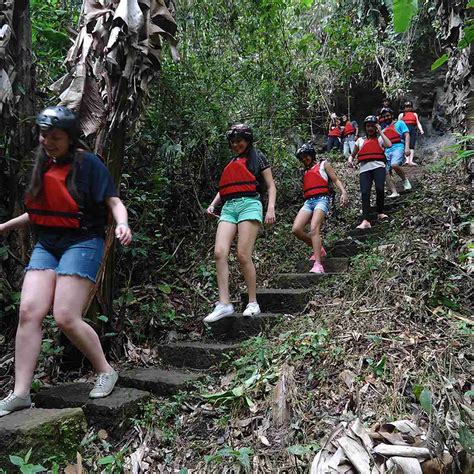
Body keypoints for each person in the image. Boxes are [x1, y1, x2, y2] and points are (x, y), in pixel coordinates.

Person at [0, 106, 132, 417]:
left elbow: (114, 201)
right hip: (48, 242)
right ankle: (20, 393)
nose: (48, 141)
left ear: (71, 138)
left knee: (64, 316)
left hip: (83, 240)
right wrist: (5, 226)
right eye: (44, 135)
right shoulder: (43, 163)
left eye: (55, 137)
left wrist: (123, 224)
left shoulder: (89, 165)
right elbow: (40, 211)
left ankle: (105, 370)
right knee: (29, 312)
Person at [204, 124, 276, 322]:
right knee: (219, 252)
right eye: (233, 142)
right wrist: (213, 205)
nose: (236, 145)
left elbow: (270, 185)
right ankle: (224, 303)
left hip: (250, 204)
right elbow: (225, 188)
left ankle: (253, 302)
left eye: (239, 141)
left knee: (243, 255)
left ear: (248, 140)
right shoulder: (232, 161)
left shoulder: (258, 158)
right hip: (229, 207)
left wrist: (270, 208)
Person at [292, 144, 348, 273]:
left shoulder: (323, 165)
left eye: (306, 156)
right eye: (302, 157)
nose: (304, 159)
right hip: (308, 202)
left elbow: (335, 179)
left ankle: (318, 264)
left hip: (322, 199)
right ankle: (319, 249)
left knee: (314, 228)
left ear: (311, 155)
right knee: (296, 229)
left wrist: (343, 192)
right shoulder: (304, 171)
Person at [348, 115, 392, 229]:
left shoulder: (380, 138)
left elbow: (389, 144)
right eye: (368, 126)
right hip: (364, 169)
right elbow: (352, 155)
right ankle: (366, 220)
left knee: (380, 189)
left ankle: (380, 212)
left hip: (378, 166)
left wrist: (380, 131)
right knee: (365, 193)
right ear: (365, 127)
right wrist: (350, 160)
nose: (370, 128)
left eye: (373, 126)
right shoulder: (360, 141)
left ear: (376, 127)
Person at [380, 108, 412, 198]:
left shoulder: (400, 123)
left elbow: (407, 134)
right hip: (387, 150)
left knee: (394, 165)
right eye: (384, 117)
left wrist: (407, 147)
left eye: (388, 115)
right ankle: (393, 190)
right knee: (386, 170)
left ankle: (405, 180)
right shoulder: (383, 130)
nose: (386, 118)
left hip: (398, 146)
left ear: (392, 115)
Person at [398, 100, 424, 166]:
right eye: (406, 107)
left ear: (412, 107)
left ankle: (411, 160)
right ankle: (407, 160)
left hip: (412, 130)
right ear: (404, 108)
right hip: (404, 130)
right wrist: (398, 133)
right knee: (405, 145)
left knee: (412, 145)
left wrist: (421, 130)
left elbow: (418, 123)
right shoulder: (401, 115)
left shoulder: (414, 114)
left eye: (409, 107)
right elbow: (398, 125)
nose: (408, 108)